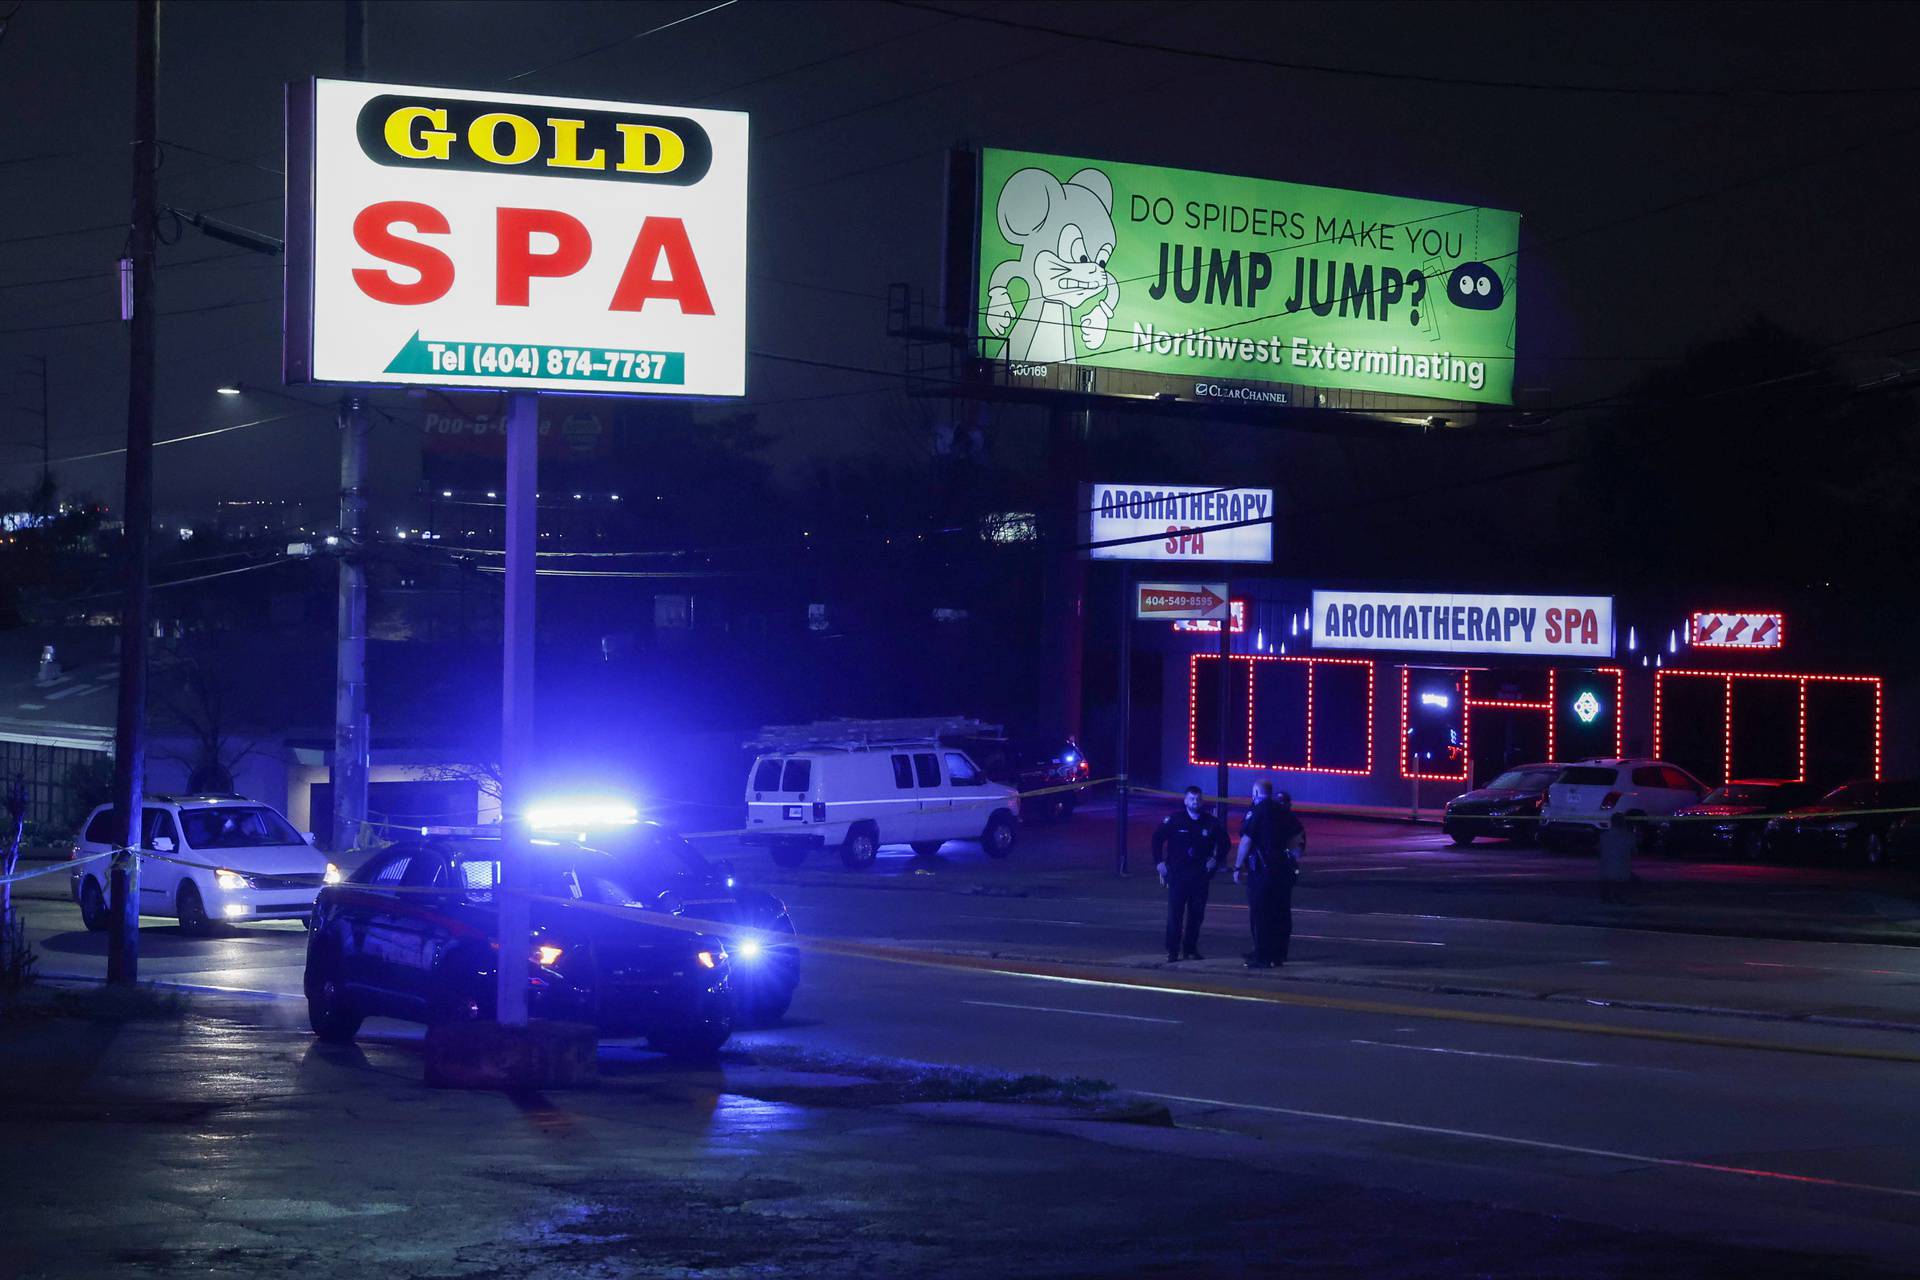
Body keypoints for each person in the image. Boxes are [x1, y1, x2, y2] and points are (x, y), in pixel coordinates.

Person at [1151, 786, 1227, 962]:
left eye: (1198, 799)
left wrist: (1216, 859)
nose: (1195, 802)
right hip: (1178, 875)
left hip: (1200, 876)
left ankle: (1190, 949)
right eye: (1192, 799)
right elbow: (1157, 839)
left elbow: (1225, 843)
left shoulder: (1210, 822)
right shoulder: (1174, 820)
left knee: (1196, 915)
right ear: (1185, 800)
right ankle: (1172, 951)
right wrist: (1159, 862)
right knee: (1175, 915)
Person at [1234, 780, 1304, 968]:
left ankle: (1262, 955)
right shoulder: (1282, 810)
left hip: (1261, 870)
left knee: (1261, 912)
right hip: (1282, 869)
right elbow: (1298, 837)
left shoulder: (1257, 811)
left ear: (1256, 792)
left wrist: (1238, 866)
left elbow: (1246, 840)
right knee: (1281, 912)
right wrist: (1284, 852)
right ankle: (1279, 954)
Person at [1597, 812, 1637, 904]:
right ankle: (1619, 895)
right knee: (1625, 875)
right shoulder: (1628, 837)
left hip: (1605, 873)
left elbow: (1598, 850)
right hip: (1622, 873)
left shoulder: (1603, 836)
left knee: (1607, 874)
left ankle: (1607, 896)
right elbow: (1634, 852)